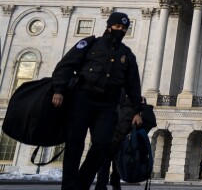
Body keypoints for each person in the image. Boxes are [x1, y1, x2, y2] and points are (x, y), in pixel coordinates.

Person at [51, 11, 143, 190]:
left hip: (107, 105)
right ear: (109, 26)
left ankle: (81, 183)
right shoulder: (90, 43)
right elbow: (65, 66)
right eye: (117, 26)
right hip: (82, 100)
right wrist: (59, 90)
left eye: (124, 28)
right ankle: (69, 187)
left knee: (102, 143)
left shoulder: (127, 55)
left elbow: (133, 86)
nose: (120, 30)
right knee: (74, 144)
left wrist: (137, 110)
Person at [94, 94, 156, 190]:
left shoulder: (131, 108)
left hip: (117, 142)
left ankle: (107, 186)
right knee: (109, 168)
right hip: (116, 141)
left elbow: (149, 122)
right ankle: (108, 185)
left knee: (110, 168)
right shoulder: (128, 107)